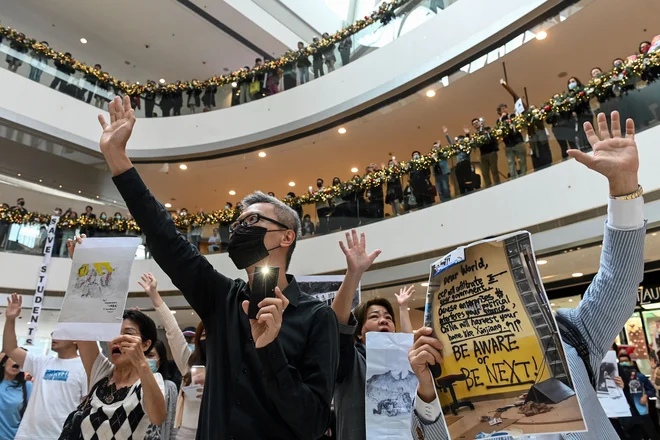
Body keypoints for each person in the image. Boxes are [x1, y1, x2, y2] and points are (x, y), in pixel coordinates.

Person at [95, 96, 339, 439]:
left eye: (252, 220)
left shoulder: (316, 318)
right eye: (236, 223)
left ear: (287, 237)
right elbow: (168, 241)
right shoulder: (222, 297)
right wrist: (119, 161)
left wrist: (270, 350)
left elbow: (314, 422)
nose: (238, 229)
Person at [409, 111, 647, 440]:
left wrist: (623, 188)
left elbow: (618, 279)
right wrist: (426, 389)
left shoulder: (572, 335)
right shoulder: (443, 371)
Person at [332, 230, 414, 440]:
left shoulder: (402, 364)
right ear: (359, 332)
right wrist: (354, 274)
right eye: (374, 317)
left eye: (388, 317)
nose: (383, 320)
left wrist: (403, 310)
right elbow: (337, 325)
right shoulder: (350, 360)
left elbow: (410, 346)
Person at [63, 302, 167, 440]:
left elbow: (158, 417)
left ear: (145, 344)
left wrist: (142, 363)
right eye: (113, 334)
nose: (117, 339)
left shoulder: (152, 380)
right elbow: (82, 323)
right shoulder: (101, 371)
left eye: (128, 333)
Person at [3, 294, 87, 440]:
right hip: (26, 436)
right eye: (54, 333)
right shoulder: (41, 362)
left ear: (75, 340)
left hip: (59, 437)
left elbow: (86, 409)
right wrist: (10, 320)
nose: (54, 337)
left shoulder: (85, 368)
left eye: (60, 334)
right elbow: (10, 349)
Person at [140, 272, 205, 440]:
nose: (206, 339)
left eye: (210, 335)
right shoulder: (188, 363)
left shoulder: (227, 364)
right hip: (185, 433)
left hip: (214, 430)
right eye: (202, 335)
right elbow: (173, 332)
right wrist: (154, 295)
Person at [617, 352, 660, 440]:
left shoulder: (640, 377)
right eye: (621, 362)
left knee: (652, 435)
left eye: (625, 361)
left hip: (642, 411)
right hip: (628, 415)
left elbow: (652, 390)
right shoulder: (616, 380)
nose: (624, 363)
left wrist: (646, 396)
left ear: (630, 362)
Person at [145, 340, 178, 440]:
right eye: (142, 355)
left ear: (160, 360)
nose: (145, 360)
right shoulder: (131, 385)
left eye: (150, 355)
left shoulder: (169, 387)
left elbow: (173, 423)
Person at [0, 352, 32, 439]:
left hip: (14, 436)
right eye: (14, 358)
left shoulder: (27, 387)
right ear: (4, 362)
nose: (17, 361)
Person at [496, 103, 527, 179]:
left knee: (522, 160)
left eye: (505, 108)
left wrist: (516, 114)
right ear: (499, 112)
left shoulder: (512, 116)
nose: (504, 110)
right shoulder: (499, 121)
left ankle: (524, 175)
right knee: (511, 162)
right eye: (502, 109)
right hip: (508, 145)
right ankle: (514, 177)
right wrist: (503, 118)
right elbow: (500, 129)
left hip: (517, 142)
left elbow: (518, 123)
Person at [471, 117, 500, 187]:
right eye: (474, 124)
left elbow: (492, 139)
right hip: (483, 154)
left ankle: (497, 185)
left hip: (491, 152)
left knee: (494, 170)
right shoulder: (475, 135)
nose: (475, 124)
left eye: (476, 122)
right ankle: (488, 186)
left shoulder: (487, 129)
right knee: (485, 173)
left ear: (479, 122)